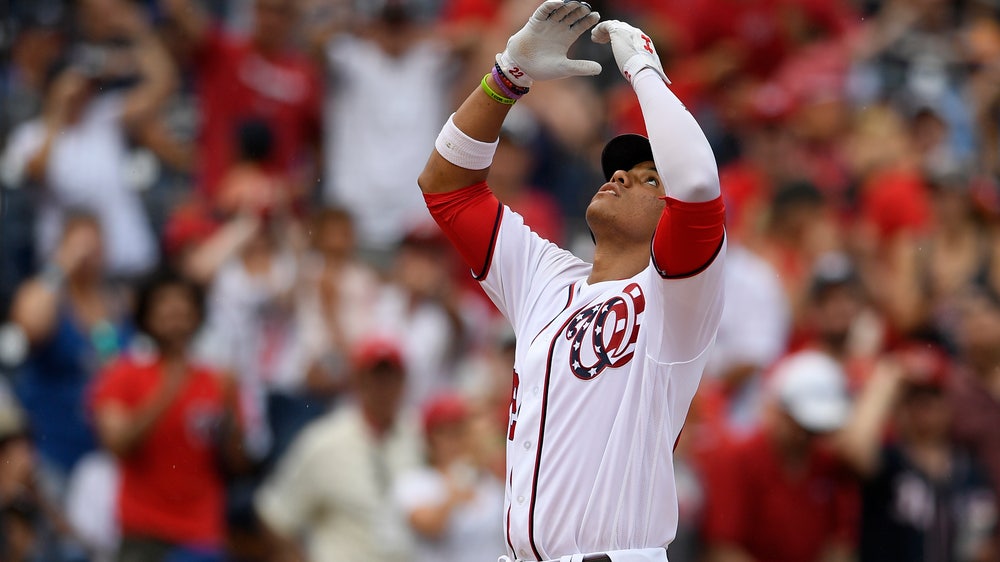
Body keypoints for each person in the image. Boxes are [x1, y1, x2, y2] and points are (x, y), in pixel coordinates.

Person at [416, 2, 727, 560]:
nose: (621, 176)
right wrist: (507, 77)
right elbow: (446, 185)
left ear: (671, 213)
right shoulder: (545, 276)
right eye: (620, 170)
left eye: (649, 178)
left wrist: (644, 73)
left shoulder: (677, 296)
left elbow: (700, 184)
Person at [90, 269, 243, 562]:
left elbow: (237, 462)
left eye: (183, 303)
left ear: (197, 315)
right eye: (164, 302)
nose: (175, 311)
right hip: (143, 533)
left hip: (202, 534)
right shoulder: (123, 375)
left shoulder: (219, 381)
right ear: (146, 315)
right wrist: (168, 391)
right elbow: (116, 444)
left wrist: (231, 416)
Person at [254, 335, 422, 562]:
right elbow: (274, 515)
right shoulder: (324, 440)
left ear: (403, 383)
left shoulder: (417, 435)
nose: (383, 388)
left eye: (391, 378)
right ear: (357, 382)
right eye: (375, 378)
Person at [701, 350, 859, 562]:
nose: (806, 437)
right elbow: (722, 548)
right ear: (777, 411)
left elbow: (839, 544)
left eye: (817, 430)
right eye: (801, 425)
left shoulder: (828, 462)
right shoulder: (738, 458)